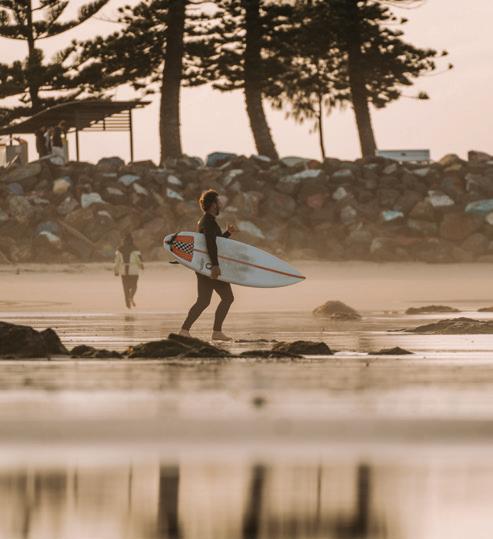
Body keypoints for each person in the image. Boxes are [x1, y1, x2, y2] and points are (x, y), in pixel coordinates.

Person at [180, 189, 237, 341]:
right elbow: (210, 245)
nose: (220, 205)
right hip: (210, 267)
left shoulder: (205, 221)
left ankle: (184, 330)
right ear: (213, 204)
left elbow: (215, 242)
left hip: (204, 267)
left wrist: (227, 234)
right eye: (218, 202)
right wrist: (215, 266)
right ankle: (216, 332)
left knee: (204, 301)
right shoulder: (209, 222)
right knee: (228, 298)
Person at [114, 234, 144, 309]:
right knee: (134, 286)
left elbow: (117, 261)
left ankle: (128, 304)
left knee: (125, 288)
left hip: (124, 270)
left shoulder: (119, 249)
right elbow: (139, 259)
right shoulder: (135, 249)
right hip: (133, 270)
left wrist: (116, 270)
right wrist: (141, 265)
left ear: (124, 240)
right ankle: (131, 296)